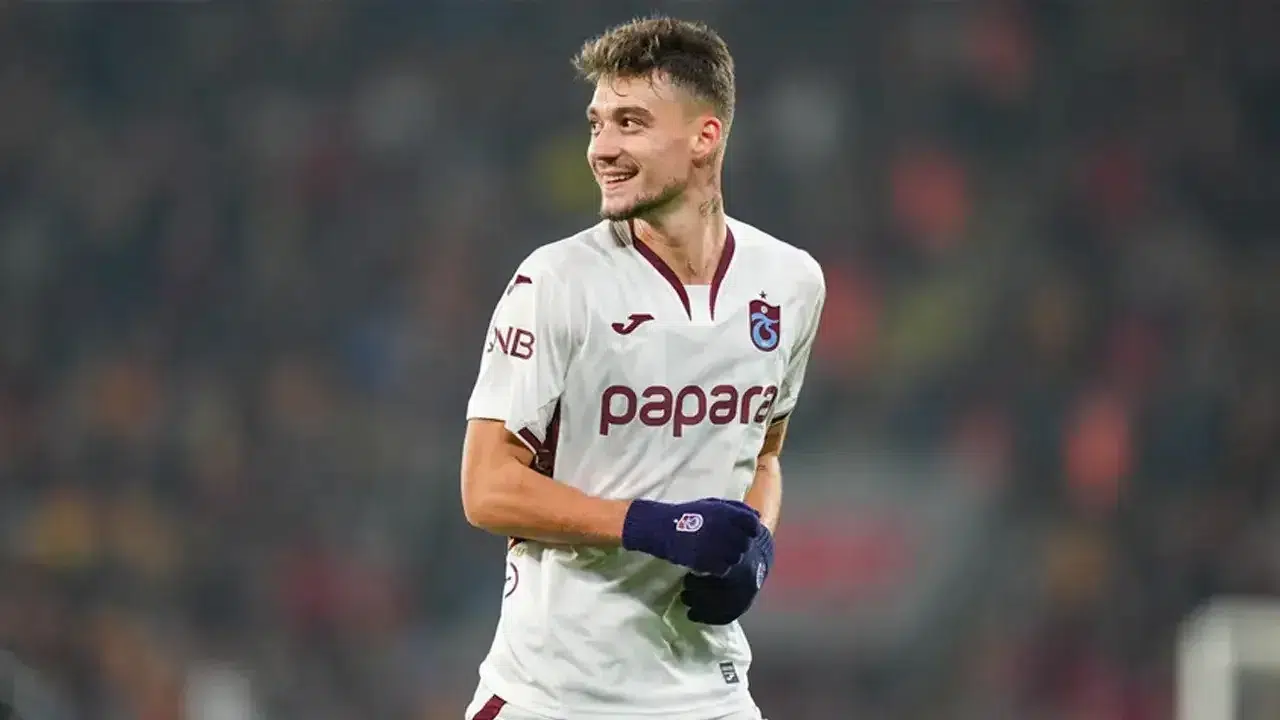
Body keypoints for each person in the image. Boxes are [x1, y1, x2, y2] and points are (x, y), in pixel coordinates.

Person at [460, 15, 826, 720]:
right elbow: (487, 487)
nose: (602, 148)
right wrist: (650, 524)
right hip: (557, 693)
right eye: (597, 124)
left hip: (707, 689)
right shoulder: (555, 282)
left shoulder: (791, 283)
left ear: (705, 137)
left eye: (630, 123)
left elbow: (762, 454)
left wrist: (757, 544)